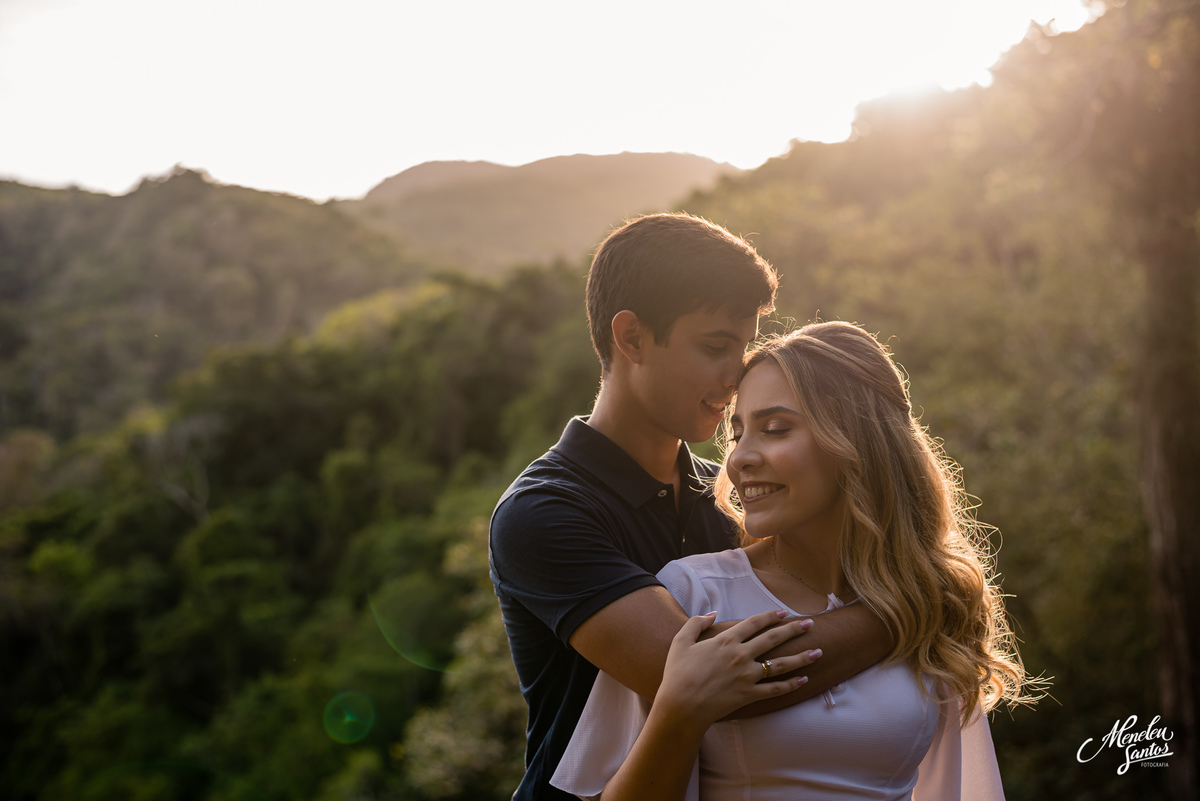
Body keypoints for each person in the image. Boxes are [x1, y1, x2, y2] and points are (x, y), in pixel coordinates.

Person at [489, 215, 894, 800]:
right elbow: (707, 674)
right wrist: (908, 610)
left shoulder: (737, 497)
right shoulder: (544, 512)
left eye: (746, 346)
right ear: (630, 339)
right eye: (715, 347)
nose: (739, 375)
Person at [551, 321, 1035, 800]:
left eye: (775, 429)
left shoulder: (931, 601)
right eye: (738, 433)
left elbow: (953, 785)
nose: (738, 458)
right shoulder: (695, 593)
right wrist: (679, 711)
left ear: (859, 442)